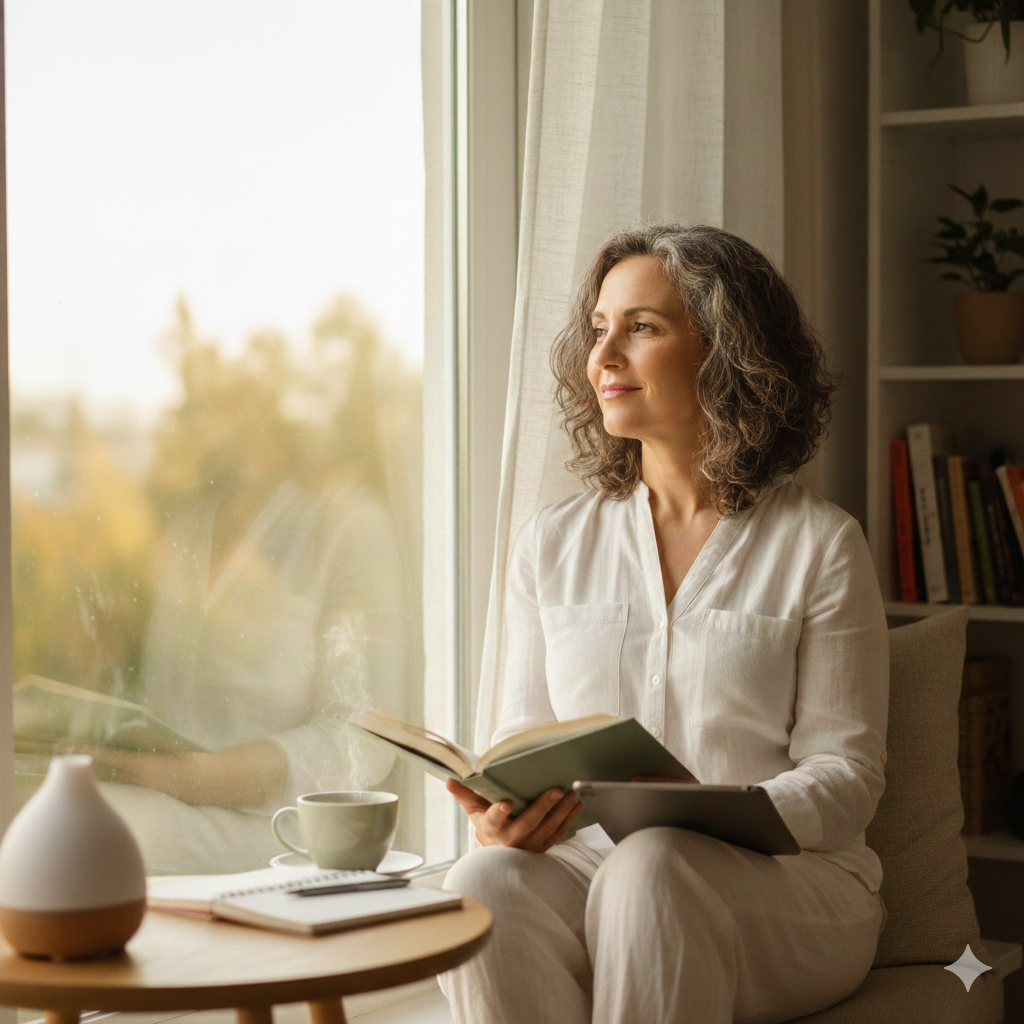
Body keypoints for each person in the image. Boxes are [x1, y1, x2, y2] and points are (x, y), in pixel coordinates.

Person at [439, 224, 889, 1024]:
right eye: (598, 329)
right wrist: (507, 815)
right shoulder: (550, 543)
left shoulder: (821, 545)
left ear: (727, 350)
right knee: (480, 887)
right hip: (591, 868)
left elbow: (847, 777)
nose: (603, 355)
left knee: (651, 866)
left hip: (788, 890)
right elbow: (526, 734)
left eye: (640, 327)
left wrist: (726, 806)